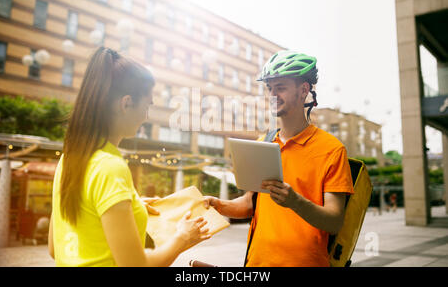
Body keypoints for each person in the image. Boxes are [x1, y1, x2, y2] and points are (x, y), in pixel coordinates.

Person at [48, 47, 210, 267]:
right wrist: (182, 238)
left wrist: (131, 204)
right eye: (147, 105)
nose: (146, 116)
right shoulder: (111, 168)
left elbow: (54, 247)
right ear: (126, 103)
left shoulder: (68, 159)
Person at [204, 51, 354, 267]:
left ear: (303, 90)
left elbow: (334, 221)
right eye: (269, 88)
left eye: (281, 87)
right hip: (257, 264)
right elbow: (249, 203)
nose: (273, 95)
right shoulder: (263, 143)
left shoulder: (331, 149)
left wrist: (295, 202)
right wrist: (218, 204)